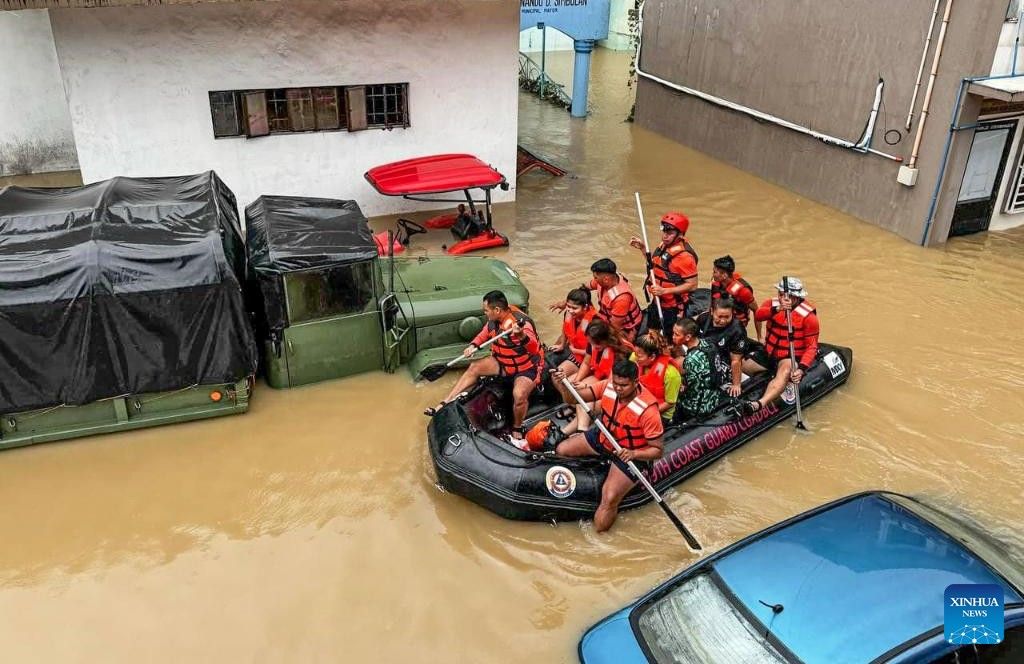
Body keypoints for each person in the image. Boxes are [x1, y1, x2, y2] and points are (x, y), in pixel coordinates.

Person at [554, 360, 665, 532]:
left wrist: (634, 454)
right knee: (562, 450)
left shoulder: (649, 411)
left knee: (610, 497)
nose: (619, 388)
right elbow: (573, 399)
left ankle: (599, 538)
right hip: (603, 438)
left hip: (628, 453)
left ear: (636, 382)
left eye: (624, 385)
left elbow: (658, 451)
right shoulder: (608, 386)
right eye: (616, 383)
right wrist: (564, 384)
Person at [425, 291, 541, 440]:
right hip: (503, 362)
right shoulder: (494, 320)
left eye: (486, 310)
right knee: (475, 367)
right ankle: (445, 402)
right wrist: (473, 345)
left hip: (525, 367)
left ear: (497, 310)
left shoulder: (521, 324)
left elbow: (533, 347)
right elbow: (484, 334)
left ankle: (517, 427)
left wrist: (521, 336)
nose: (485, 313)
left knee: (519, 395)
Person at [741, 277, 820, 415]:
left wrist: (801, 369)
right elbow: (759, 315)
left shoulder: (809, 317)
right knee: (740, 363)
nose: (781, 297)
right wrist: (778, 309)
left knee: (785, 371)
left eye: (785, 295)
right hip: (769, 352)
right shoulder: (772, 304)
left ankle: (760, 403)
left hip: (790, 356)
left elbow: (811, 346)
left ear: (795, 297)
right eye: (780, 294)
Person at [556, 319, 634, 436]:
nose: (593, 346)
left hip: (615, 387)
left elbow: (614, 382)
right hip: (600, 378)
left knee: (585, 397)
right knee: (571, 385)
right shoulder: (594, 343)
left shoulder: (620, 354)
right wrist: (577, 380)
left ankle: (574, 431)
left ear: (606, 340)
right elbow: (587, 363)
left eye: (596, 345)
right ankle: (574, 425)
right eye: (591, 343)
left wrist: (586, 386)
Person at [629, 212, 698, 336]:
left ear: (680, 235)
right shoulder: (664, 246)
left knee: (671, 340)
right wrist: (643, 249)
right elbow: (655, 265)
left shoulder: (685, 257)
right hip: (658, 300)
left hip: (673, 307)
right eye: (664, 232)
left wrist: (664, 291)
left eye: (670, 233)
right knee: (652, 332)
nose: (665, 236)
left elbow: (692, 285)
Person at [551, 259, 643, 342]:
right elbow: (584, 288)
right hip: (605, 317)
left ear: (606, 279)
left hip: (624, 328)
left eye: (595, 277)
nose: (594, 280)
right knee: (573, 318)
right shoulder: (605, 280)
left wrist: (593, 332)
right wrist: (566, 302)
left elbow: (614, 327)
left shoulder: (622, 298)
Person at [672, 318, 724, 424]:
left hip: (698, 408)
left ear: (687, 337)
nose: (673, 337)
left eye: (676, 334)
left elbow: (686, 388)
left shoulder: (690, 360)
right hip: (715, 397)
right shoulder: (707, 344)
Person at [696, 297, 749, 397]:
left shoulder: (737, 330)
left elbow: (736, 360)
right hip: (703, 354)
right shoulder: (703, 319)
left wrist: (736, 384)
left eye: (727, 317)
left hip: (723, 362)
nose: (723, 320)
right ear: (712, 311)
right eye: (719, 316)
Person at [631, 330, 681, 423]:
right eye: (635, 354)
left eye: (639, 356)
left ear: (652, 357)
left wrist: (646, 414)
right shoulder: (636, 358)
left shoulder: (671, 374)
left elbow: (670, 403)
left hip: (661, 414)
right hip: (640, 404)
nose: (635, 358)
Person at [548, 287, 597, 378]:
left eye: (574, 308)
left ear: (585, 307)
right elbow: (565, 328)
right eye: (568, 306)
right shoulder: (568, 313)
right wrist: (562, 345)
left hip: (587, 358)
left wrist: (575, 350)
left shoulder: (594, 323)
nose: (570, 310)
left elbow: (596, 351)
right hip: (574, 350)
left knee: (556, 377)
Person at [710, 255, 760, 341]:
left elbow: (756, 311)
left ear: (724, 275)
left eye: (715, 272)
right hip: (719, 319)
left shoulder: (743, 291)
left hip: (736, 324)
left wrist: (760, 336)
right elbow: (713, 302)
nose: (713, 274)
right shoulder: (716, 283)